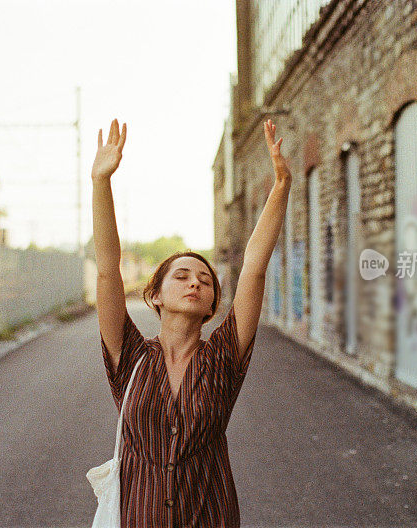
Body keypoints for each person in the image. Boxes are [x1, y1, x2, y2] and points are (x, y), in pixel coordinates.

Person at [92, 117, 291, 527]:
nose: (195, 283)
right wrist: (101, 183)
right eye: (180, 276)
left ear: (212, 304)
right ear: (156, 295)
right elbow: (108, 270)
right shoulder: (130, 358)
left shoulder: (223, 356)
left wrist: (281, 187)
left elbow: (253, 268)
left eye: (205, 281)